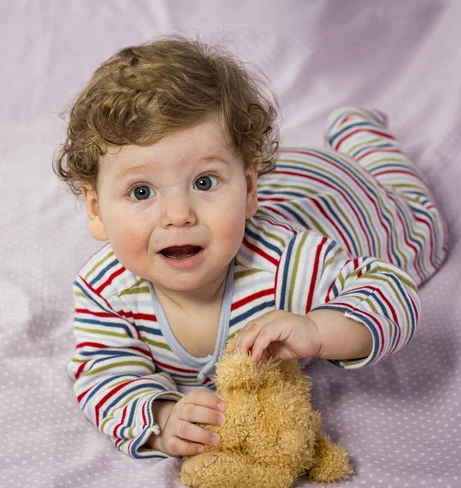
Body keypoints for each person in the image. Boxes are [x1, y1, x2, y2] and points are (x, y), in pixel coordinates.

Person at [54, 37, 447, 459]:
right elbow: (104, 377)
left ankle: (360, 133)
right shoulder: (105, 291)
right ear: (96, 210)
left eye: (204, 182)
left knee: (424, 225)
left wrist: (319, 328)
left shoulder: (287, 264)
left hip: (341, 198)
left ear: (249, 187)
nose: (178, 214)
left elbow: (391, 289)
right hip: (275, 181)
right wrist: (163, 418)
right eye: (141, 190)